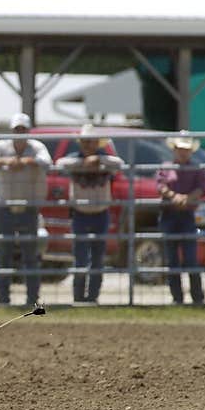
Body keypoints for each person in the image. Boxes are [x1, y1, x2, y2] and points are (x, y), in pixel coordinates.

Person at [0, 112, 51, 307]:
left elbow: (46, 162)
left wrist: (25, 162)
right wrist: (7, 162)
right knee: (4, 255)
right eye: (17, 129)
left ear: (28, 131)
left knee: (31, 255)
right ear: (12, 131)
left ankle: (32, 300)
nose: (20, 133)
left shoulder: (37, 147)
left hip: (29, 207)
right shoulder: (0, 146)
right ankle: (3, 300)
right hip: (5, 206)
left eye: (23, 129)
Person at [58, 124, 123, 305]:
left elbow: (119, 164)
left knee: (97, 258)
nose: (88, 145)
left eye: (91, 142)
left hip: (101, 213)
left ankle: (93, 296)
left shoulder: (106, 161)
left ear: (97, 143)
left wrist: (98, 159)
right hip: (80, 213)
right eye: (85, 142)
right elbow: (60, 164)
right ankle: (78, 297)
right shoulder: (74, 160)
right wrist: (83, 163)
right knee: (80, 257)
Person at [156, 132, 205, 305]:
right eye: (180, 149)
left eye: (186, 149)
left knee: (191, 257)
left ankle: (197, 297)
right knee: (172, 259)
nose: (183, 152)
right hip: (169, 214)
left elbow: (201, 188)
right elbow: (161, 186)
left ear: (191, 151)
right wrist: (174, 196)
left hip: (187, 215)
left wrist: (187, 198)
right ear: (175, 150)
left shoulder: (197, 168)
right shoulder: (166, 166)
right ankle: (177, 297)